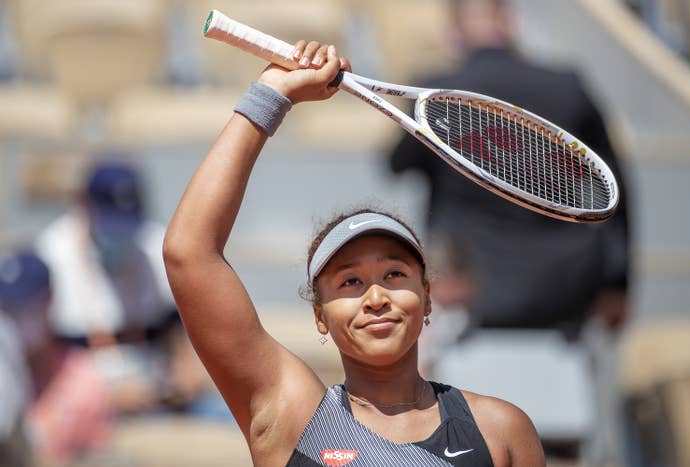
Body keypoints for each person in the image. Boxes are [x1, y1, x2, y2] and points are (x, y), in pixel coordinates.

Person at [163, 40, 545, 466]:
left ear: (428, 296)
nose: (376, 297)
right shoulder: (293, 416)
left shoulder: (500, 430)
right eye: (350, 281)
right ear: (320, 315)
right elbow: (189, 253)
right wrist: (272, 92)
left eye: (394, 275)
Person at [389, 0, 630, 341]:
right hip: (565, 288)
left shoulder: (436, 91)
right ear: (509, 23)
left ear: (453, 33)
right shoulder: (568, 86)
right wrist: (618, 284)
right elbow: (614, 189)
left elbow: (396, 165)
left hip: (466, 291)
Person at [34, 161, 209, 414]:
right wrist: (104, 396)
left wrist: (185, 375)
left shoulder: (157, 247)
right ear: (85, 207)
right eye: (111, 222)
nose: (120, 236)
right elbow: (38, 359)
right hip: (79, 405)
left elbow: (177, 337)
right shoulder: (52, 255)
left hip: (154, 399)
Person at [0, 249, 112, 464]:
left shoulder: (84, 379)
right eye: (6, 307)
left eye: (26, 306)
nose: (15, 317)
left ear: (49, 299)